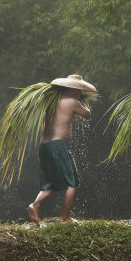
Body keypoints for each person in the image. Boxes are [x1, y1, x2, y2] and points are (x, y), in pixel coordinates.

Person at [27, 74, 94, 226]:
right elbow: (87, 114)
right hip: (58, 146)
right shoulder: (72, 101)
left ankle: (35, 204)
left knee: (49, 184)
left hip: (44, 146)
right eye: (80, 90)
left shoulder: (52, 101)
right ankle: (64, 218)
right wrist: (81, 100)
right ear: (74, 89)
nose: (80, 92)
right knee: (72, 183)